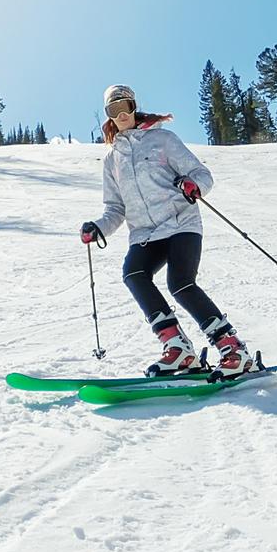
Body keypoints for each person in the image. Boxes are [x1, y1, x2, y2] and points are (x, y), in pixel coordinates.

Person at [79, 84, 256, 380]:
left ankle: (233, 349)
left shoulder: (162, 140)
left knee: (180, 283)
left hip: (180, 224)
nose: (121, 114)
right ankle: (178, 349)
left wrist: (193, 186)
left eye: (126, 106)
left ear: (135, 106)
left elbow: (202, 175)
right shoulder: (112, 159)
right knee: (133, 273)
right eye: (113, 110)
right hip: (145, 233)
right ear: (108, 116)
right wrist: (98, 227)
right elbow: (115, 208)